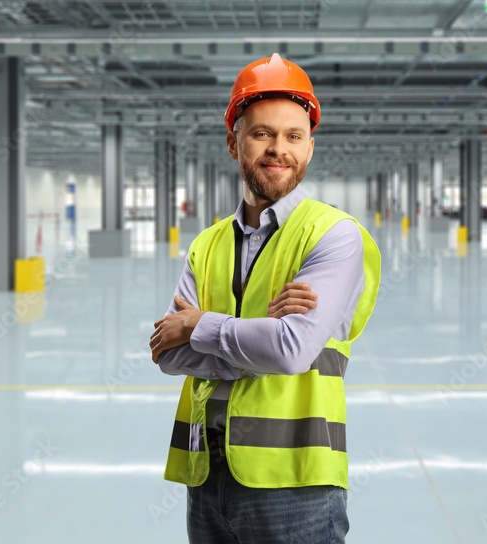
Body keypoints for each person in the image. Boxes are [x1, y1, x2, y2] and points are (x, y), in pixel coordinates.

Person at [149, 53, 381, 544]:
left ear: (310, 147)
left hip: (297, 483)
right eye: (262, 134)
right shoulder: (208, 243)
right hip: (207, 475)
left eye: (294, 136)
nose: (279, 149)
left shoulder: (334, 235)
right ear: (234, 142)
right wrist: (258, 340)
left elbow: (291, 351)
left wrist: (199, 327)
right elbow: (168, 355)